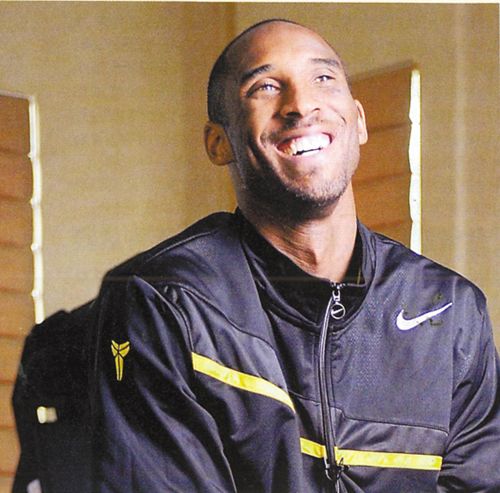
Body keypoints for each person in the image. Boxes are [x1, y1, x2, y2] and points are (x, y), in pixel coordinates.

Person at [89, 19, 500, 492]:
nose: (301, 105)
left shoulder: (451, 311)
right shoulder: (168, 301)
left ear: (359, 121)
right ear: (218, 143)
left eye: (323, 78)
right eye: (265, 87)